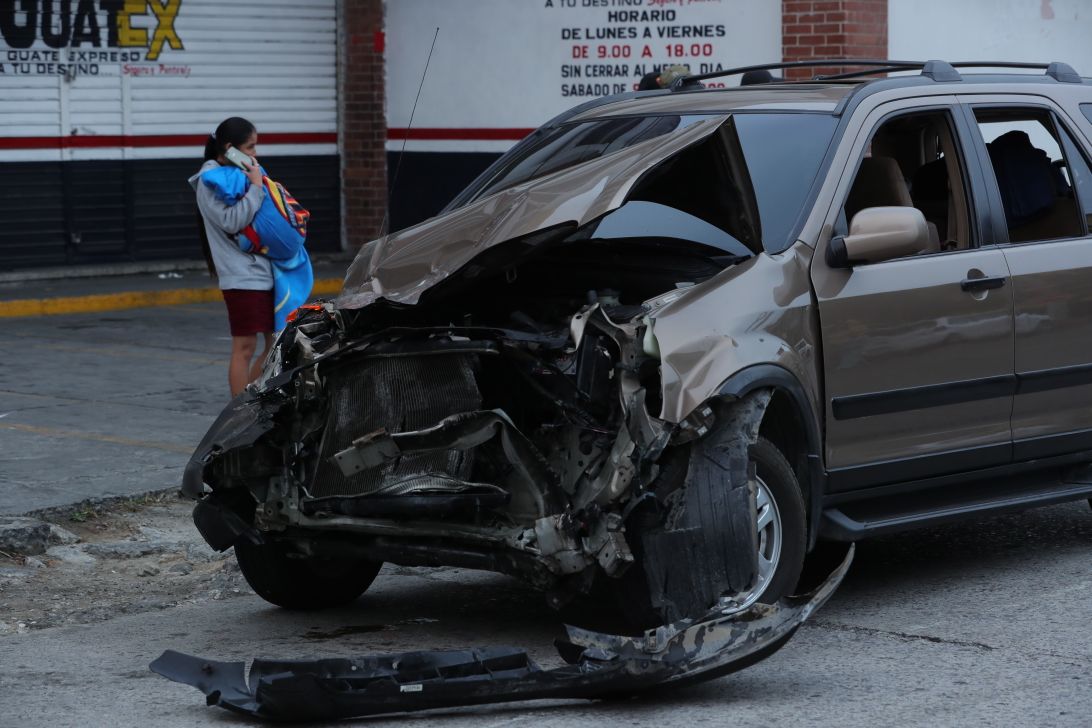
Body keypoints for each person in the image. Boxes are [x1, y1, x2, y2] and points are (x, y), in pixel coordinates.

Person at [189, 117, 273, 397]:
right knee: (244, 346)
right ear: (230, 149)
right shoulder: (209, 181)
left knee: (276, 344)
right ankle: (239, 411)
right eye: (250, 147)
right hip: (241, 276)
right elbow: (232, 221)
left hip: (263, 271)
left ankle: (253, 401)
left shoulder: (237, 174)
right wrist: (256, 188)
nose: (255, 154)